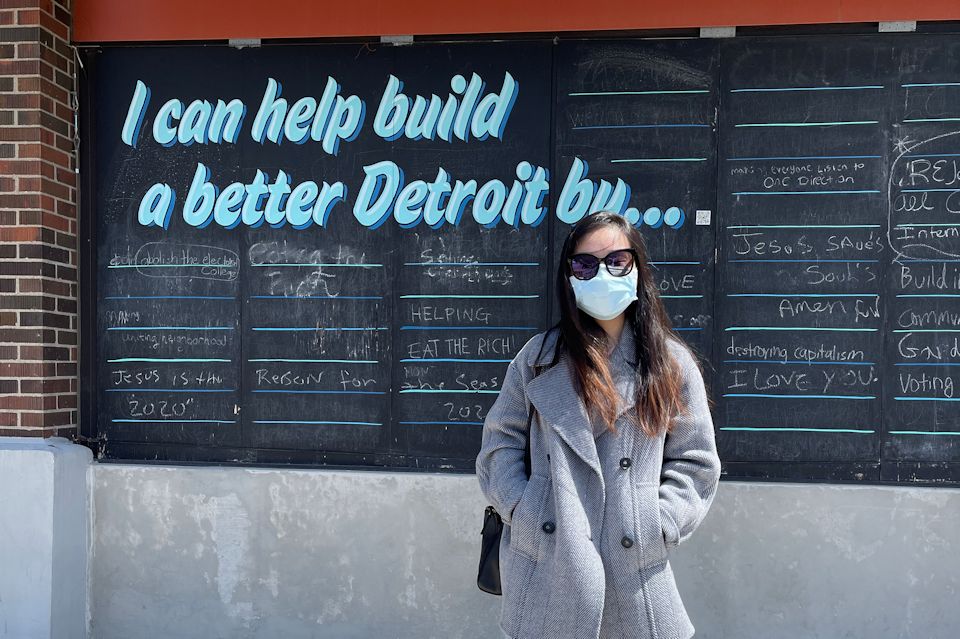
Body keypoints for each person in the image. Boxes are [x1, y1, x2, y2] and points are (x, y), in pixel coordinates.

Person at [475, 210, 722, 639]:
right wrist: (525, 508)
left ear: (637, 269)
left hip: (633, 568)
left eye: (617, 261)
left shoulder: (670, 363)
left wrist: (654, 524)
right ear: (569, 275)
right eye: (585, 263)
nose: (602, 273)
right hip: (551, 557)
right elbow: (500, 445)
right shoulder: (537, 358)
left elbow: (695, 461)